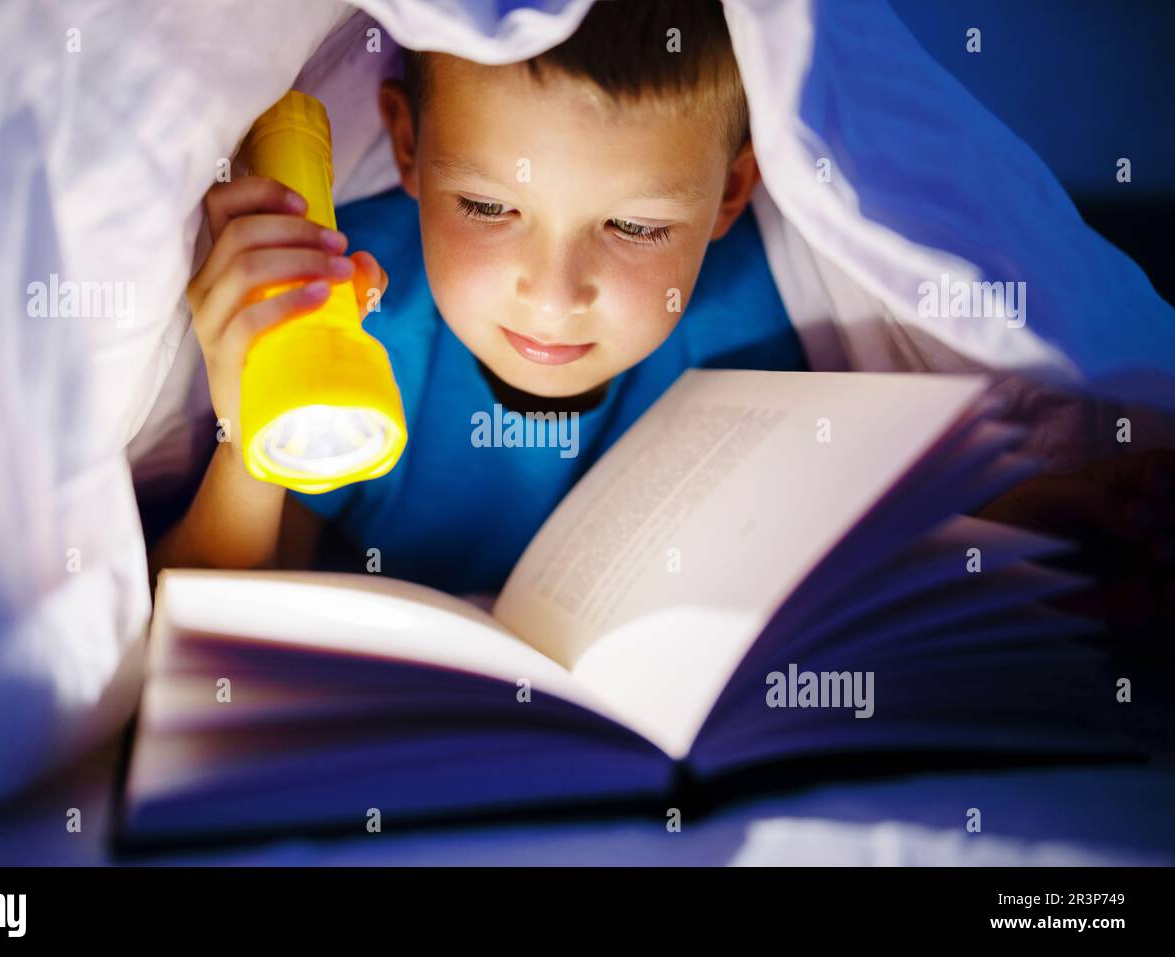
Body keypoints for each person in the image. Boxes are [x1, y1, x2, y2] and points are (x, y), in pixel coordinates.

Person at [150, 0, 1173, 631]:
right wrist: (251, 426)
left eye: (635, 228)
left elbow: (858, 535)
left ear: (732, 195)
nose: (554, 295)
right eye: (489, 207)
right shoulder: (354, 296)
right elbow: (200, 617)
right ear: (407, 149)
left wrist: (1037, 524)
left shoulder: (783, 326)